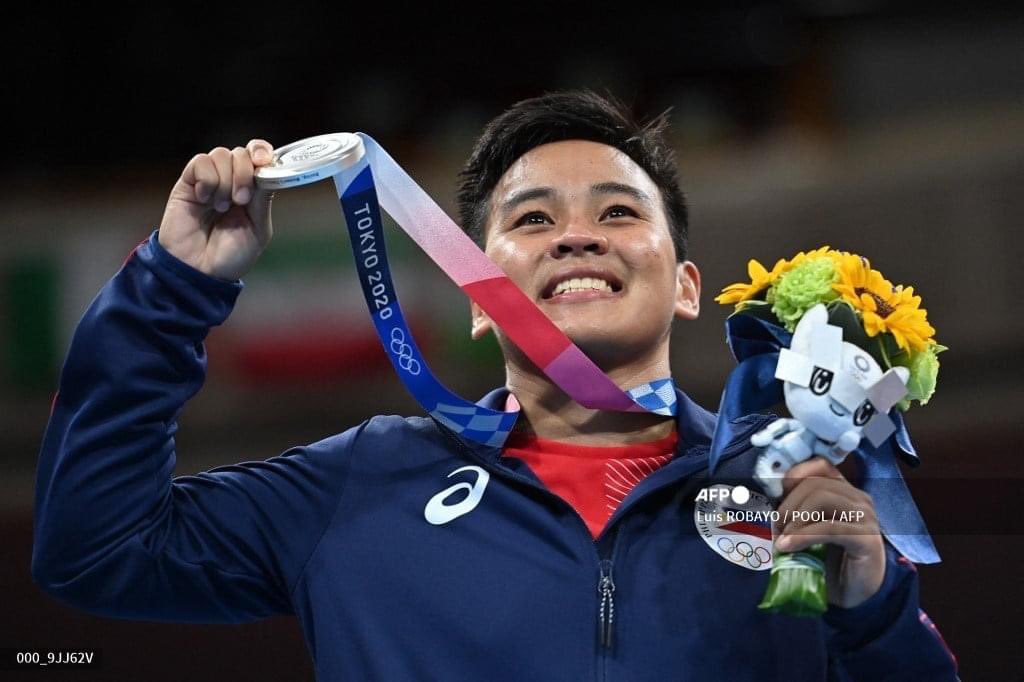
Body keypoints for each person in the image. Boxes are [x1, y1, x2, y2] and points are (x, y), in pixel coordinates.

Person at [32, 90, 958, 680]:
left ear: (686, 286)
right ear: (479, 300)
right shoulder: (361, 485)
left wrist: (874, 608)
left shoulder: (795, 492)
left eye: (618, 211)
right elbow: (93, 549)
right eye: (533, 220)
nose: (577, 236)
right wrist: (172, 289)